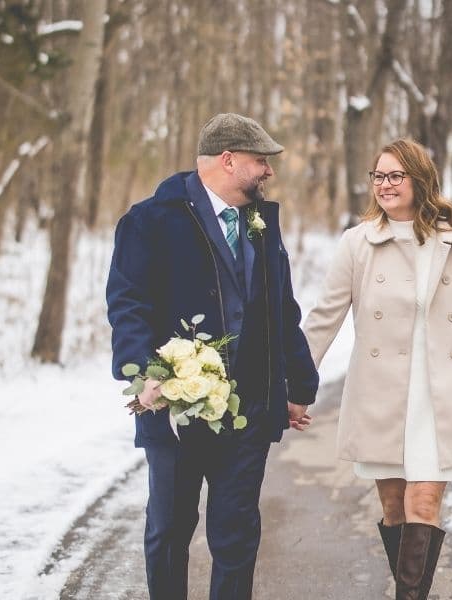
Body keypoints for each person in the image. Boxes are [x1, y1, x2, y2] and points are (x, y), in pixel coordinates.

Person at [106, 113, 318, 600]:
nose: (267, 171)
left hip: (248, 412)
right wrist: (144, 375)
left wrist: (299, 385)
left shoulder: (262, 224)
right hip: (175, 407)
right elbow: (128, 304)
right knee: (169, 530)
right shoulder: (150, 221)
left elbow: (281, 310)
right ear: (228, 160)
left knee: (237, 535)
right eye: (260, 161)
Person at [303, 138, 452, 599]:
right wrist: (296, 384)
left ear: (420, 179)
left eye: (396, 175)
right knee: (395, 506)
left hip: (439, 396)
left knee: (424, 500)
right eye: (379, 176)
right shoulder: (357, 244)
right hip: (382, 394)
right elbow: (324, 318)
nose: (385, 184)